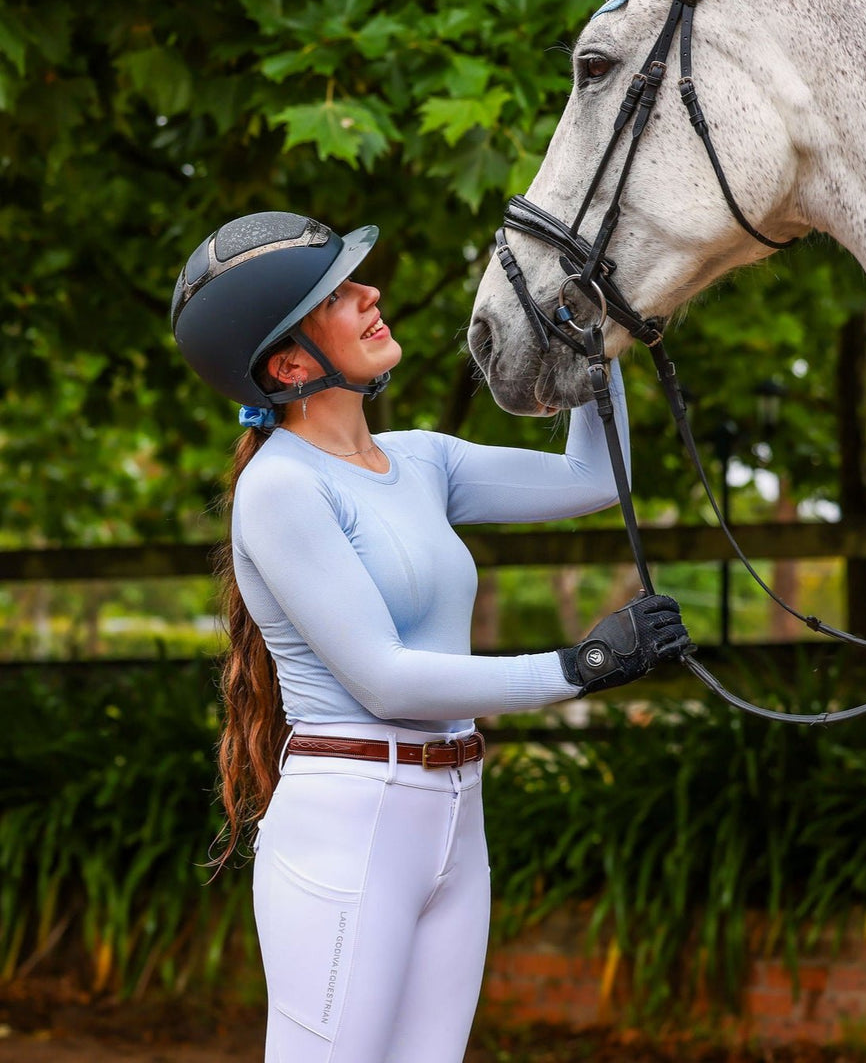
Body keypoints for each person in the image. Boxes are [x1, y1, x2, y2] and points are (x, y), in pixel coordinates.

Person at [170, 210, 691, 1063]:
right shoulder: (281, 489)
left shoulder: (420, 460)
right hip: (353, 817)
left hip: (454, 810)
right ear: (293, 364)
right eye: (338, 294)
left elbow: (594, 477)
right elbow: (388, 681)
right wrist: (582, 665)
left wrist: (598, 350)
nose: (372, 294)